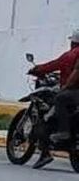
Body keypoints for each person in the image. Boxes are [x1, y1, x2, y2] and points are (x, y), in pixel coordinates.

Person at [28, 28, 79, 169]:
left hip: (73, 93)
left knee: (47, 117)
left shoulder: (71, 55)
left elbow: (53, 65)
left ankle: (46, 152)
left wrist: (37, 69)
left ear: (73, 42)